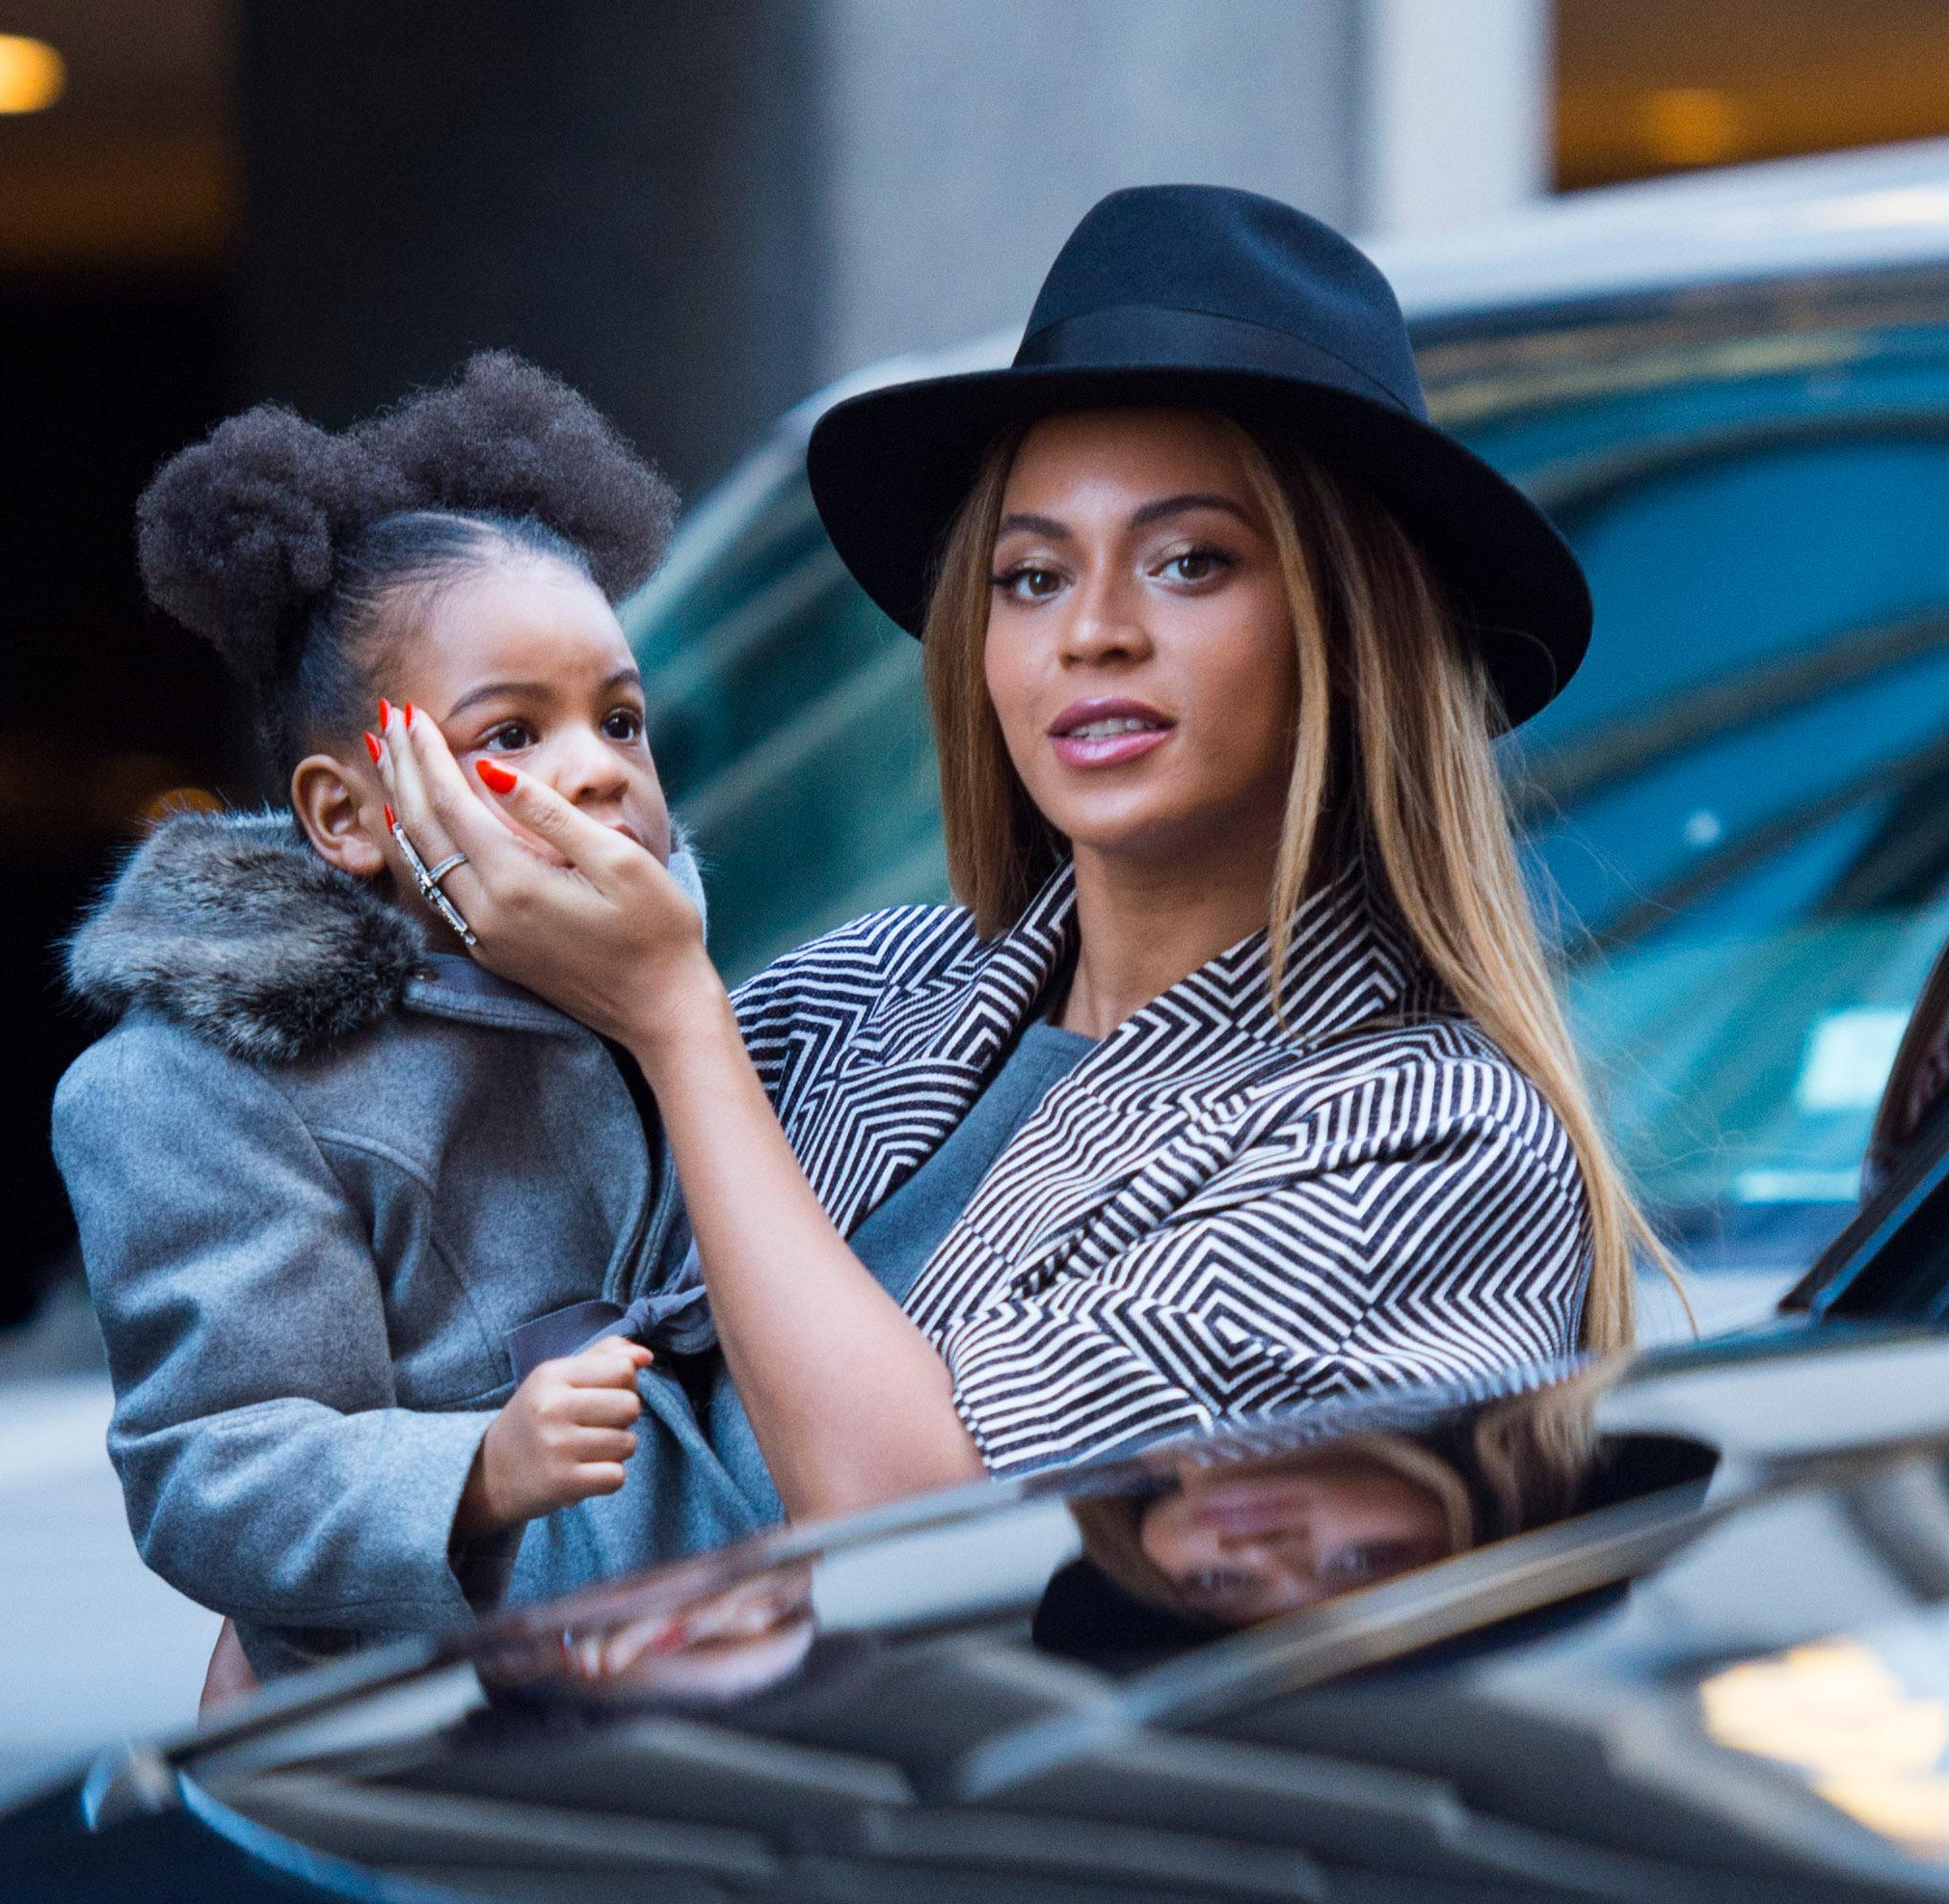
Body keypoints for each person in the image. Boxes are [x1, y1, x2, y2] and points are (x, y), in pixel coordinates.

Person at [371, 186, 1672, 1525]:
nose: (1090, 632)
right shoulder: (850, 998)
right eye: (1031, 576)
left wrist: (672, 1017)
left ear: (1349, 628)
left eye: (1187, 561)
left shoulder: (1428, 1137)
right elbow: (441, 1399)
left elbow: (927, 1542)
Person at [52, 354, 777, 1688]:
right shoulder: (202, 1082)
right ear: (347, 814)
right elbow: (210, 1471)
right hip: (440, 1736)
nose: (596, 770)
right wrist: (478, 1471)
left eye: (621, 718)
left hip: (737, 1662)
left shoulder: (684, 996)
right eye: (512, 732)